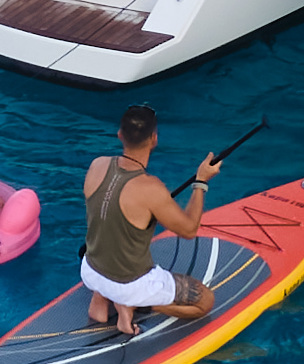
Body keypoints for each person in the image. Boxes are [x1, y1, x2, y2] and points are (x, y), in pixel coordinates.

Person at [81, 105, 224, 337]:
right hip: (130, 285)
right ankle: (131, 303)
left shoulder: (97, 165)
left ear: (119, 134)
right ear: (154, 139)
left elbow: (108, 217)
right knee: (205, 302)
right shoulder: (151, 188)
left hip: (90, 270)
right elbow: (188, 230)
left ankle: (103, 296)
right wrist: (201, 182)